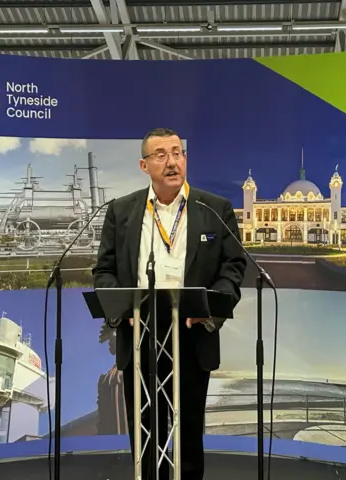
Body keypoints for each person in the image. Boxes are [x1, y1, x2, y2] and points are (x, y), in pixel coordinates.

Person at [92, 127, 246, 480]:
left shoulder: (214, 209)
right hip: (140, 332)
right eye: (161, 154)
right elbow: (104, 270)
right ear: (144, 165)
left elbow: (233, 266)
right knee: (145, 430)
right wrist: (121, 311)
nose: (172, 161)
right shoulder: (122, 211)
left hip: (192, 332)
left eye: (177, 152)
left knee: (189, 431)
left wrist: (210, 311)